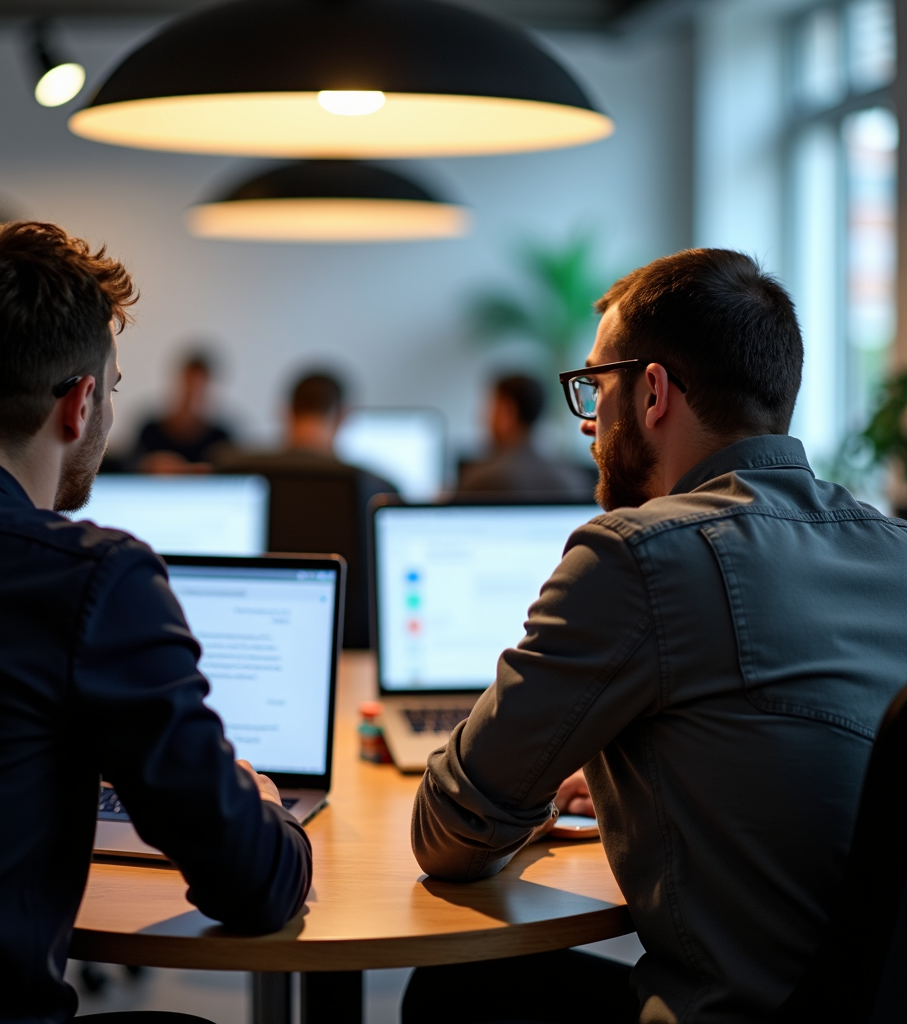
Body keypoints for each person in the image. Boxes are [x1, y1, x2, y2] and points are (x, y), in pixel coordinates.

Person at [407, 249, 907, 1024]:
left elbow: (450, 830)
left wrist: (531, 789)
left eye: (595, 387)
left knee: (451, 988)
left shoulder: (636, 555)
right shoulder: (895, 548)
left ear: (651, 392)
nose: (587, 420)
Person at [0, 220, 311, 1024]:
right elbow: (252, 883)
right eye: (112, 389)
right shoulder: (92, 577)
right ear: (81, 404)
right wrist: (259, 807)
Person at [213, 372, 395, 649]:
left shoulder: (231, 471)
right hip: (350, 655)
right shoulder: (378, 488)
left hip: (246, 642)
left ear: (286, 412)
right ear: (344, 416)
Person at [457, 373, 593, 498]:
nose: (484, 418)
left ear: (507, 413)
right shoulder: (574, 480)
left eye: (491, 409)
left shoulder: (481, 480)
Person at [132, 351, 232, 472]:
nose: (193, 393)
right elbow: (130, 467)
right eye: (190, 385)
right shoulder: (150, 432)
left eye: (200, 387)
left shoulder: (221, 438)